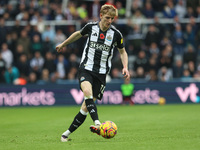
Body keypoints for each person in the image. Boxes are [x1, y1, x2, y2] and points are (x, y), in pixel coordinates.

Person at [56, 4, 130, 142]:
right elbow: (78, 34)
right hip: (86, 68)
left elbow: (122, 52)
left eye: (112, 18)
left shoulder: (116, 34)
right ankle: (98, 124)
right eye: (107, 17)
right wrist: (63, 44)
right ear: (101, 16)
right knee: (87, 93)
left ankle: (65, 134)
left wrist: (125, 66)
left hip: (101, 74)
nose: (109, 21)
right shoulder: (91, 27)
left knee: (85, 108)